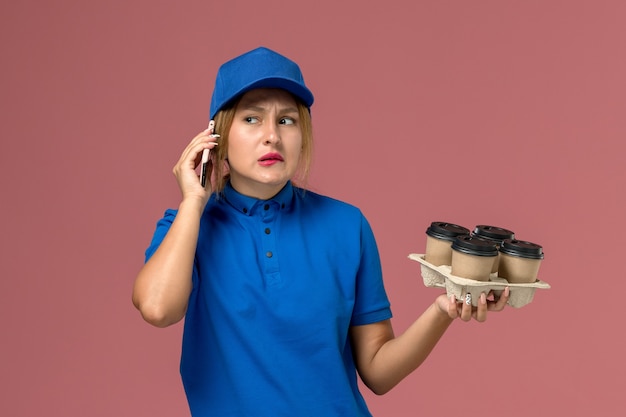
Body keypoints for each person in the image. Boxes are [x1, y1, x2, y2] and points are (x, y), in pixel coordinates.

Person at [132, 46, 509, 417]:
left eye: (287, 120)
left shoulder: (346, 225)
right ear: (216, 137)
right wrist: (194, 201)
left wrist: (442, 311)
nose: (272, 136)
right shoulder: (186, 226)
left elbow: (378, 371)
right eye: (251, 119)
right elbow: (158, 308)